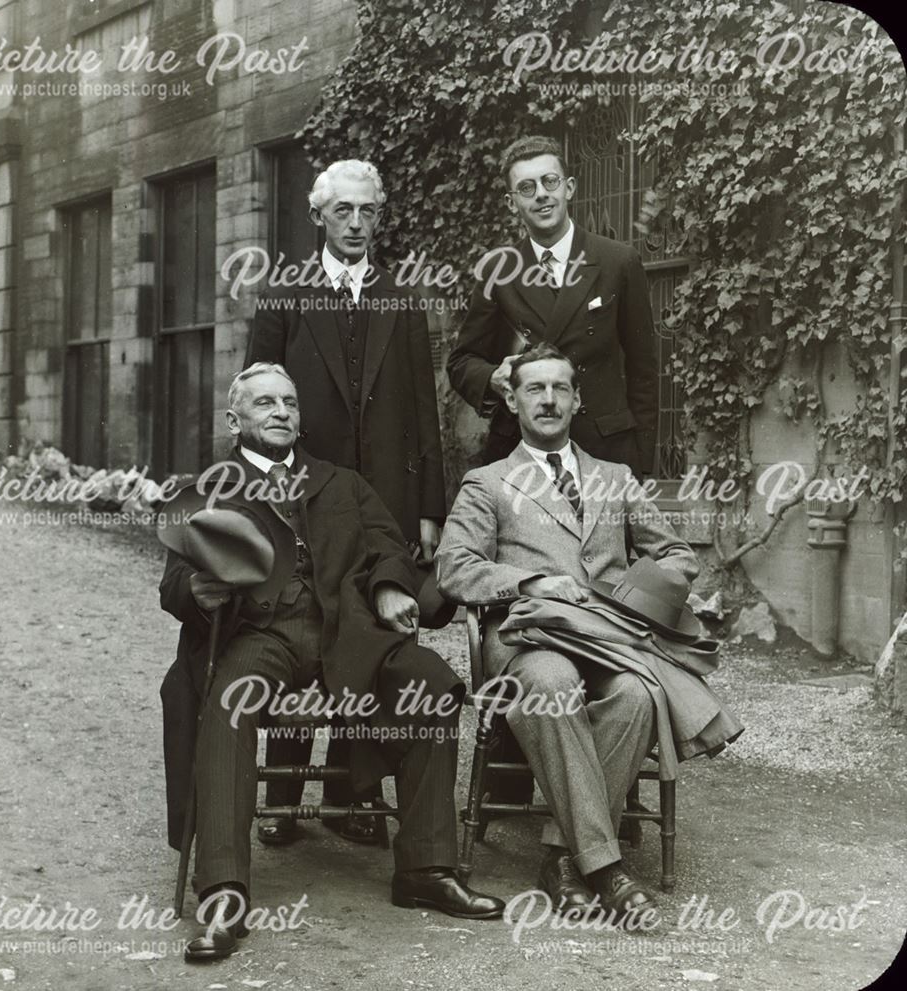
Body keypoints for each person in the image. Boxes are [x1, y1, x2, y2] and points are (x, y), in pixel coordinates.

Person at [159, 363, 503, 962]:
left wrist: (393, 585)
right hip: (258, 632)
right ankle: (223, 894)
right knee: (228, 703)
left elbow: (389, 546)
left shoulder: (340, 481)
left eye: (289, 402)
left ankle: (425, 866)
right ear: (234, 419)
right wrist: (199, 591)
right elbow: (175, 583)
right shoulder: (209, 488)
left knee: (432, 685)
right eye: (264, 403)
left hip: (347, 629)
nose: (281, 412)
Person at [436, 343, 713, 921]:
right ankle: (607, 871)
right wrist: (529, 582)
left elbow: (679, 555)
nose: (548, 399)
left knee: (638, 693)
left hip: (609, 636)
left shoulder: (616, 478)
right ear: (511, 400)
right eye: (534, 388)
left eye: (560, 388)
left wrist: (633, 595)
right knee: (553, 682)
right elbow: (454, 567)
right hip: (529, 638)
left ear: (577, 399)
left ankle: (565, 860)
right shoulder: (488, 482)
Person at [247, 160, 448, 840]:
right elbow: (258, 393)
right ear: (320, 217)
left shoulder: (401, 297)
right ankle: (282, 794)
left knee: (368, 630)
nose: (358, 224)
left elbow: (425, 410)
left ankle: (352, 796)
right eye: (345, 213)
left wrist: (428, 509)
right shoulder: (285, 293)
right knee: (303, 619)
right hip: (304, 495)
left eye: (368, 212)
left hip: (386, 498)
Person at [447, 135, 659, 477]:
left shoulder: (618, 261)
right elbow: (461, 362)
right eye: (527, 188)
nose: (542, 194)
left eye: (550, 181)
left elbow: (644, 372)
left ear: (569, 187)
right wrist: (494, 378)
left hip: (603, 449)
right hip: (522, 451)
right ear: (511, 202)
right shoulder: (498, 270)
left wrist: (642, 466)